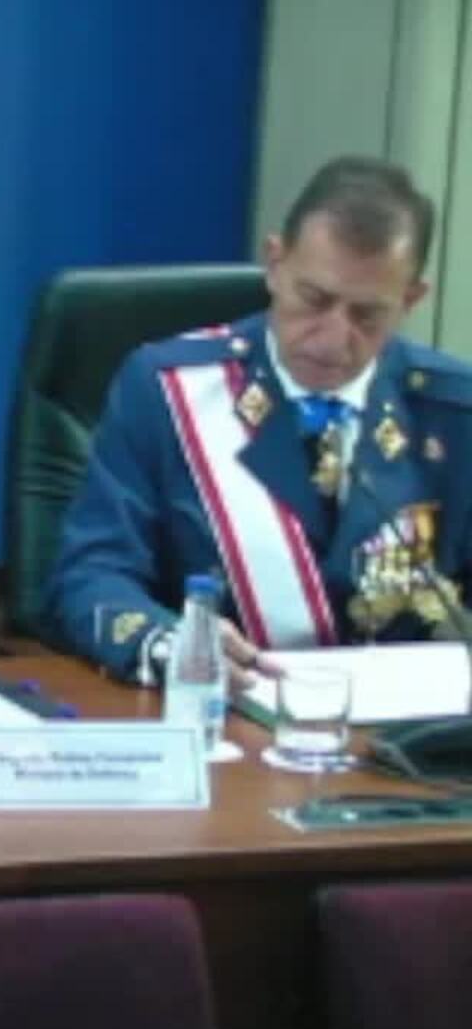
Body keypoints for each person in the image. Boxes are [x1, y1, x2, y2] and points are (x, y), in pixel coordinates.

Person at [51, 155, 472, 685]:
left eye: (366, 314)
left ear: (410, 300)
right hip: (223, 707)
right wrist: (166, 643)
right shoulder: (168, 391)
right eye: (314, 300)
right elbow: (91, 575)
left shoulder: (451, 411)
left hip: (403, 726)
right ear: (275, 264)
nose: (333, 338)